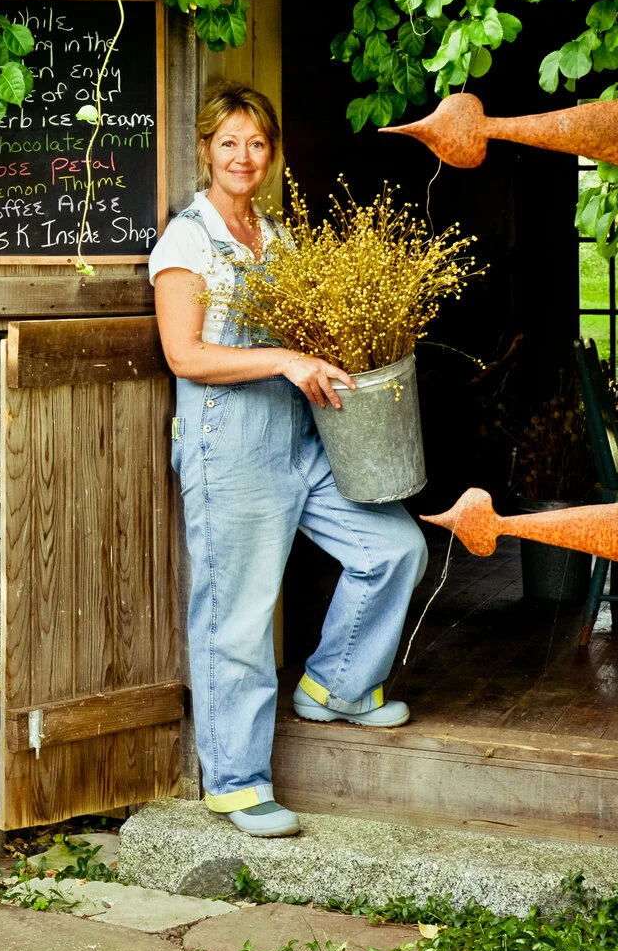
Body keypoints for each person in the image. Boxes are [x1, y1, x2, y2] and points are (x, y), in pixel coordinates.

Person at [149, 85, 430, 838]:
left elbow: (308, 335)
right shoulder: (188, 241)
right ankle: (237, 783)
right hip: (229, 449)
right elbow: (186, 355)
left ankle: (336, 684)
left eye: (258, 144)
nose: (244, 158)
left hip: (301, 442)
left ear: (272, 155)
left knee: (394, 546)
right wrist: (285, 359)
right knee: (238, 620)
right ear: (206, 148)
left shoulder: (277, 238)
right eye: (230, 143)